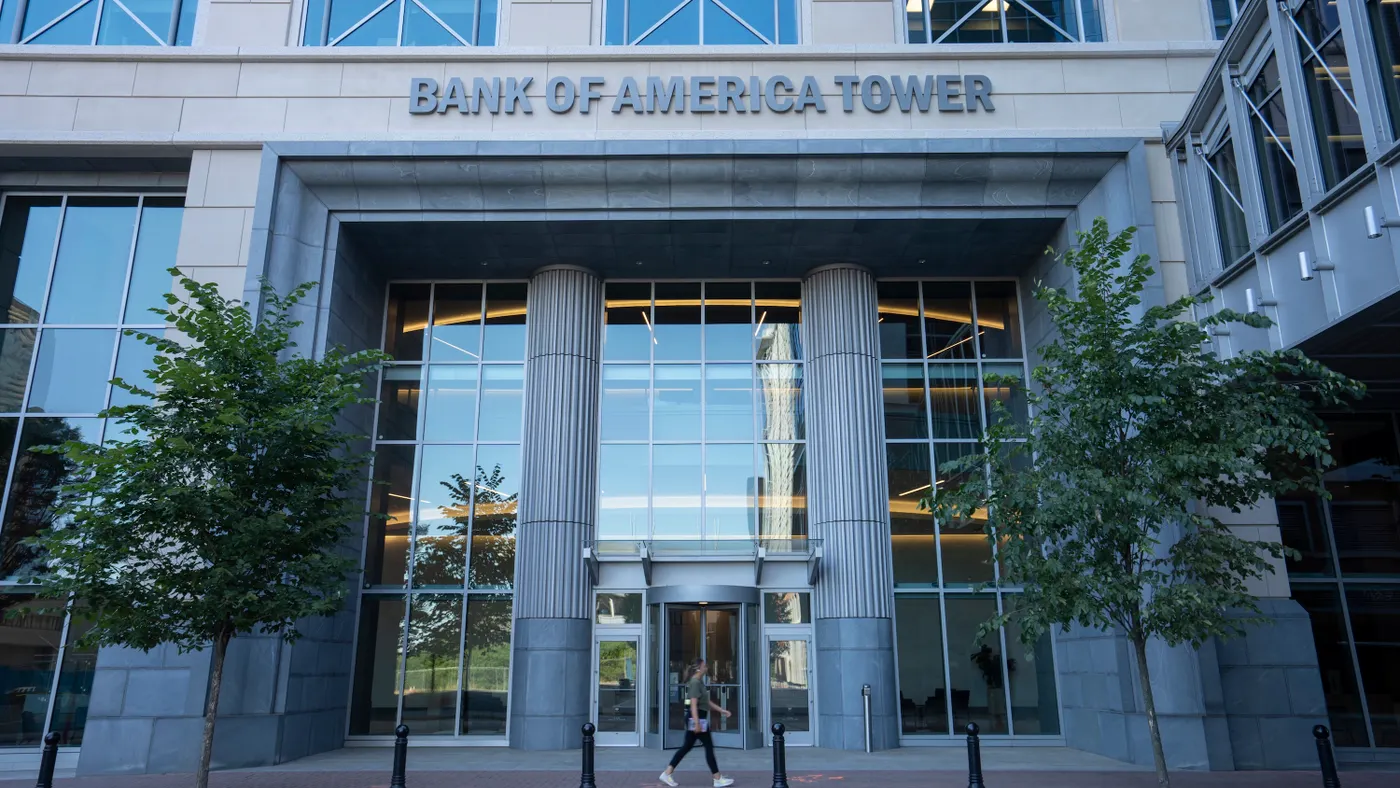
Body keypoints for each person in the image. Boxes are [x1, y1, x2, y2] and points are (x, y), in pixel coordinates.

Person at [659, 658, 734, 787]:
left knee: (686, 747)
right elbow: (693, 704)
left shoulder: (699, 682)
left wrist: (721, 710)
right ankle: (717, 778)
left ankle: (667, 773)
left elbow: (706, 702)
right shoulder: (694, 682)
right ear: (699, 668)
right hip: (697, 718)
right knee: (708, 747)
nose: (707, 667)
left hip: (699, 718)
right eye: (704, 665)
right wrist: (697, 722)